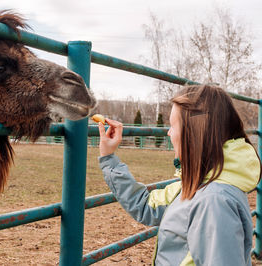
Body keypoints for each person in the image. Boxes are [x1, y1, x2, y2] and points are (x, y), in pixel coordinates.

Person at [97, 85, 261, 266]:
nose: (168, 132)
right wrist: (108, 158)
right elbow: (145, 205)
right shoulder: (199, 183)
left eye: (173, 126)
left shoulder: (214, 201)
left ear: (194, 133)